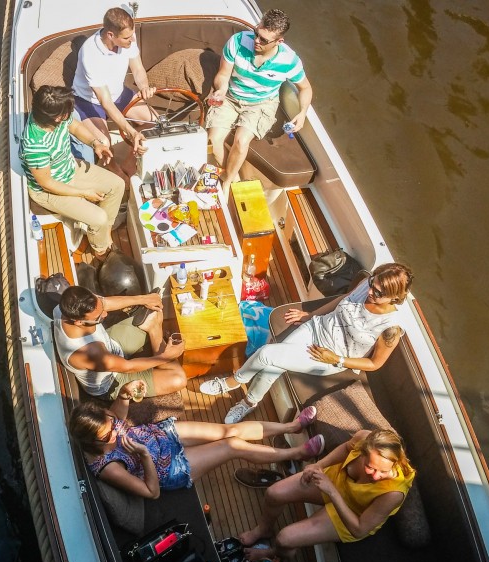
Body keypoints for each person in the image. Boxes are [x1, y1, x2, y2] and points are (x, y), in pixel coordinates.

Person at [199, 263, 413, 424]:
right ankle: (249, 403)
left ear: (395, 297)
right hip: (315, 328)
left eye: (378, 293)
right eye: (372, 285)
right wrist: (309, 315)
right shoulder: (365, 286)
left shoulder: (390, 327)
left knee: (266, 355)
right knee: (275, 365)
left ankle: (231, 382)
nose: (370, 293)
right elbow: (342, 299)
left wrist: (336, 359)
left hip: (328, 355)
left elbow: (375, 364)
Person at [69, 393, 324, 498]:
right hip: (167, 469)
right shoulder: (108, 466)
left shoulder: (108, 422)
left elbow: (118, 415)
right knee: (232, 445)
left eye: (112, 426)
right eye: (106, 437)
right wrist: (145, 456)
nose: (114, 433)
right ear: (92, 442)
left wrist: (125, 393)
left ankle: (292, 427)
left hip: (163, 434)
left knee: (229, 430)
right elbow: (151, 492)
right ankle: (298, 453)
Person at [239, 429, 415, 561]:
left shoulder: (392, 494)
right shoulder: (363, 438)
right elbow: (346, 448)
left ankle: (272, 554)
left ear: (396, 461)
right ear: (363, 452)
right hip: (335, 480)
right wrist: (318, 466)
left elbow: (359, 529)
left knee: (284, 539)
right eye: (370, 467)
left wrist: (330, 490)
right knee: (273, 493)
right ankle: (264, 529)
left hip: (352, 514)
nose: (375, 476)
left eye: (382, 471)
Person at [205, 9, 313, 189]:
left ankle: (227, 182)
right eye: (256, 33)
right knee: (213, 140)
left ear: (279, 41)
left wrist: (302, 112)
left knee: (241, 140)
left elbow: (306, 88)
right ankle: (227, 172)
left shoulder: (289, 61)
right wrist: (221, 90)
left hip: (261, 104)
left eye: (263, 39)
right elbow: (223, 75)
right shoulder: (238, 42)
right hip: (231, 97)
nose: (256, 40)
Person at [21, 85, 124, 259]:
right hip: (49, 190)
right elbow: (47, 183)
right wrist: (84, 193)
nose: (71, 113)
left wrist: (95, 143)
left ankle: (104, 230)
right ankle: (100, 249)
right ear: (56, 117)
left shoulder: (57, 118)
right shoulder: (34, 145)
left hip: (69, 167)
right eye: (67, 112)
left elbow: (75, 127)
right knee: (98, 217)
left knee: (117, 185)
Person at [55, 285, 188, 400]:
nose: (106, 314)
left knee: (155, 311)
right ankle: (163, 355)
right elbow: (127, 367)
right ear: (79, 322)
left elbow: (105, 303)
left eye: (102, 308)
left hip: (112, 345)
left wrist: (145, 299)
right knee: (179, 379)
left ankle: (159, 348)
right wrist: (166, 357)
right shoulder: (89, 352)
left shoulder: (67, 307)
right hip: (112, 380)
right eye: (99, 317)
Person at [72, 6, 155, 187]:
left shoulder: (128, 41)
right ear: (110, 35)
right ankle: (116, 171)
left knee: (154, 124)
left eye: (132, 35)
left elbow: (138, 69)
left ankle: (129, 164)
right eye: (126, 37)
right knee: (104, 143)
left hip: (118, 93)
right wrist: (132, 132)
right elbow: (106, 102)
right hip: (88, 101)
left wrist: (145, 87)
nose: (132, 39)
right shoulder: (90, 54)